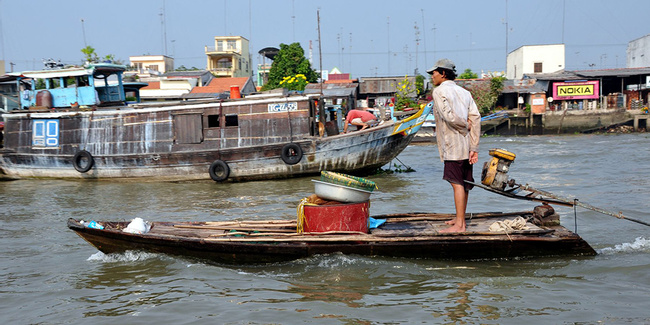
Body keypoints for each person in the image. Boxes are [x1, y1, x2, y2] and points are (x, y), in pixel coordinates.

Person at [427, 58, 481, 233]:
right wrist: (474, 147)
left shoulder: (439, 91)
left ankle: (460, 225)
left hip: (453, 146)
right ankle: (460, 219)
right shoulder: (464, 92)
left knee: (456, 183)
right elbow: (476, 118)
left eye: (434, 73)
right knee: (463, 183)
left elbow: (449, 116)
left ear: (443, 73)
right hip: (465, 146)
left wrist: (465, 125)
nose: (432, 77)